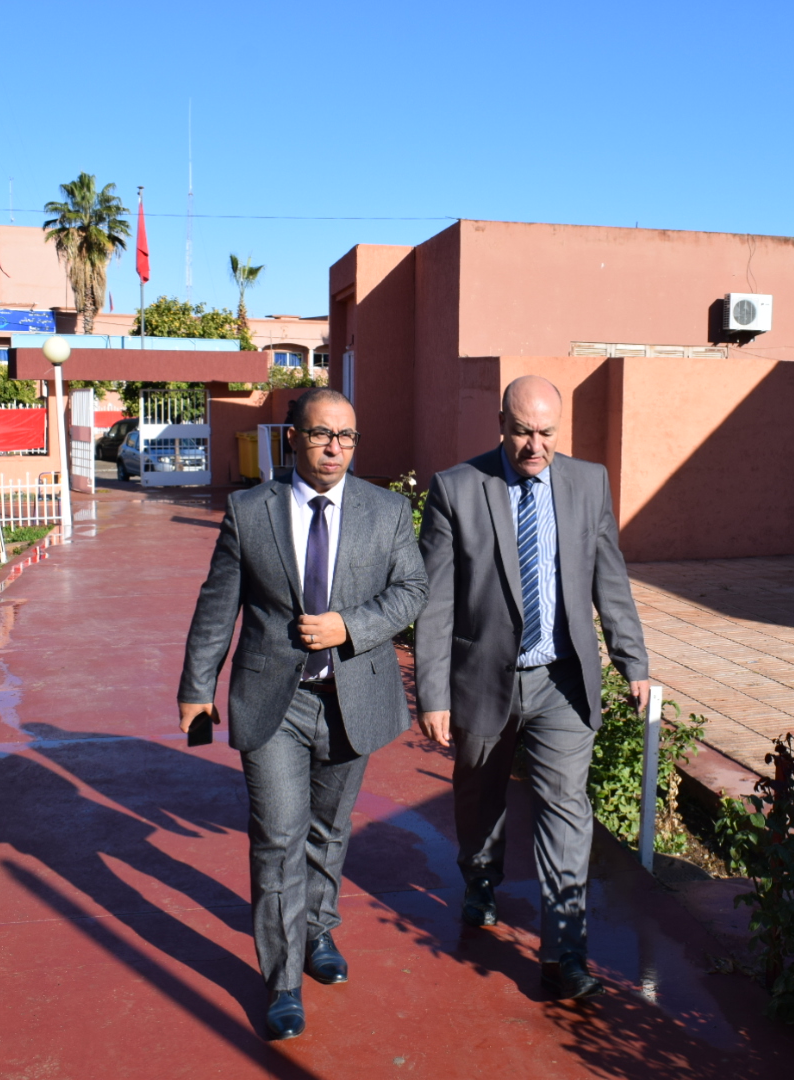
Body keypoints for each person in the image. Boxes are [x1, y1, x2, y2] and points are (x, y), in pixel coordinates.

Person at [178, 388, 427, 1040]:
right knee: (278, 836)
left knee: (329, 830)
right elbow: (218, 603)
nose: (334, 448)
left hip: (353, 697)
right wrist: (197, 686)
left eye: (346, 437)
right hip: (274, 702)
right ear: (292, 438)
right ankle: (282, 979)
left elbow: (412, 591)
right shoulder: (249, 511)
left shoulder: (386, 511)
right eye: (321, 434)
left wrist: (350, 625)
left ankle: (318, 931)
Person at [414, 375, 650, 1000]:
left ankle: (564, 955)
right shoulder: (457, 489)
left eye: (546, 433)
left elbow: (610, 579)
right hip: (482, 678)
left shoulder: (588, 483)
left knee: (566, 807)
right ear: (501, 423)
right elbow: (435, 603)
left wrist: (633, 662)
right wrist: (433, 695)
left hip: (561, 679)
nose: (534, 446)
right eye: (522, 431)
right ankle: (479, 877)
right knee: (479, 795)